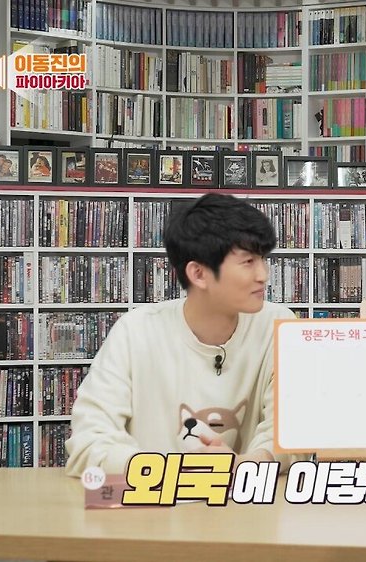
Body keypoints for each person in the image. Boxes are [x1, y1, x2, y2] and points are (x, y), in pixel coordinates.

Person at [66, 193, 300, 476]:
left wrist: (245, 464)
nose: (263, 274)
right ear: (198, 274)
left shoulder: (280, 326)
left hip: (246, 499)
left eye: (263, 259)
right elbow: (89, 442)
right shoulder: (135, 331)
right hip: (152, 500)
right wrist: (176, 472)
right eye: (248, 261)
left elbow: (291, 432)